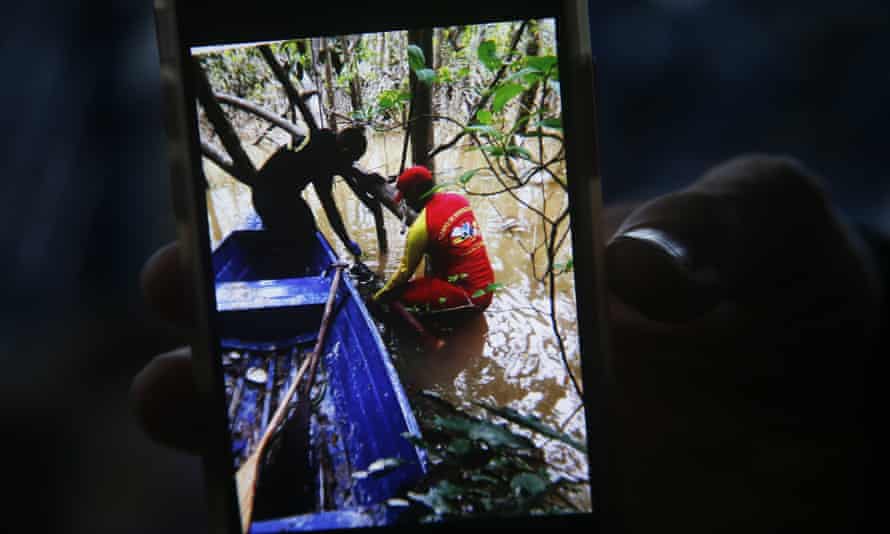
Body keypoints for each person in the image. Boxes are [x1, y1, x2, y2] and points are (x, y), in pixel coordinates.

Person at [132, 155, 885, 532]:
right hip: (477, 296)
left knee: (397, 303)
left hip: (459, 300)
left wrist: (380, 297)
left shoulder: (429, 217)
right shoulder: (452, 203)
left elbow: (406, 273)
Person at [372, 165, 496, 312]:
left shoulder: (421, 227)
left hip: (467, 299)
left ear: (414, 193)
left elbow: (403, 273)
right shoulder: (459, 200)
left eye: (405, 197)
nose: (406, 204)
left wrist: (379, 296)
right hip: (487, 290)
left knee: (399, 293)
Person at [247, 126, 369, 258]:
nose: (351, 163)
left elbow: (344, 167)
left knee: (306, 225)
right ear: (344, 151)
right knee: (306, 235)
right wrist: (347, 242)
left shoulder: (325, 137)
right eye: (352, 159)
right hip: (270, 200)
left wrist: (367, 177)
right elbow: (329, 207)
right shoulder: (323, 161)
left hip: (272, 194)